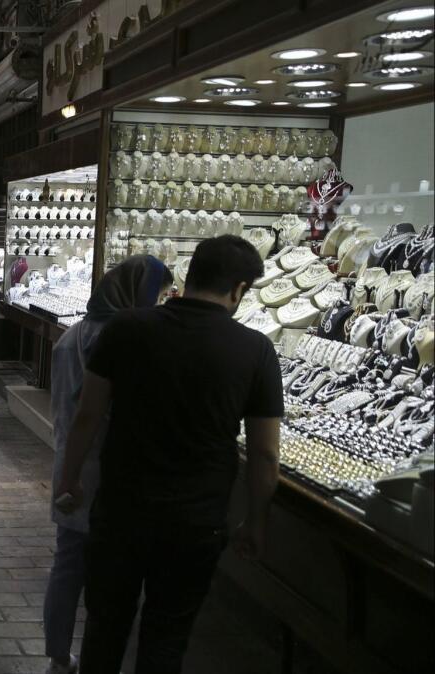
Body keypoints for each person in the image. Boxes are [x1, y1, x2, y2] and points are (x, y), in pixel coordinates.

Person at [55, 235, 282, 674]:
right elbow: (265, 456)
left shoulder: (126, 329)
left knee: (105, 629)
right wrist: (255, 521)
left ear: (189, 276)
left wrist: (69, 480)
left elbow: (86, 416)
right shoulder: (256, 351)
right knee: (166, 639)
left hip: (121, 510)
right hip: (194, 523)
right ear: (238, 289)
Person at [43, 255, 172, 674]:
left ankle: (59, 657)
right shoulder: (125, 341)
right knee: (111, 579)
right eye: (159, 295)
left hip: (71, 462)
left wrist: (67, 472)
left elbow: (64, 409)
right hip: (108, 472)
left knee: (67, 567)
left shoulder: (71, 336)